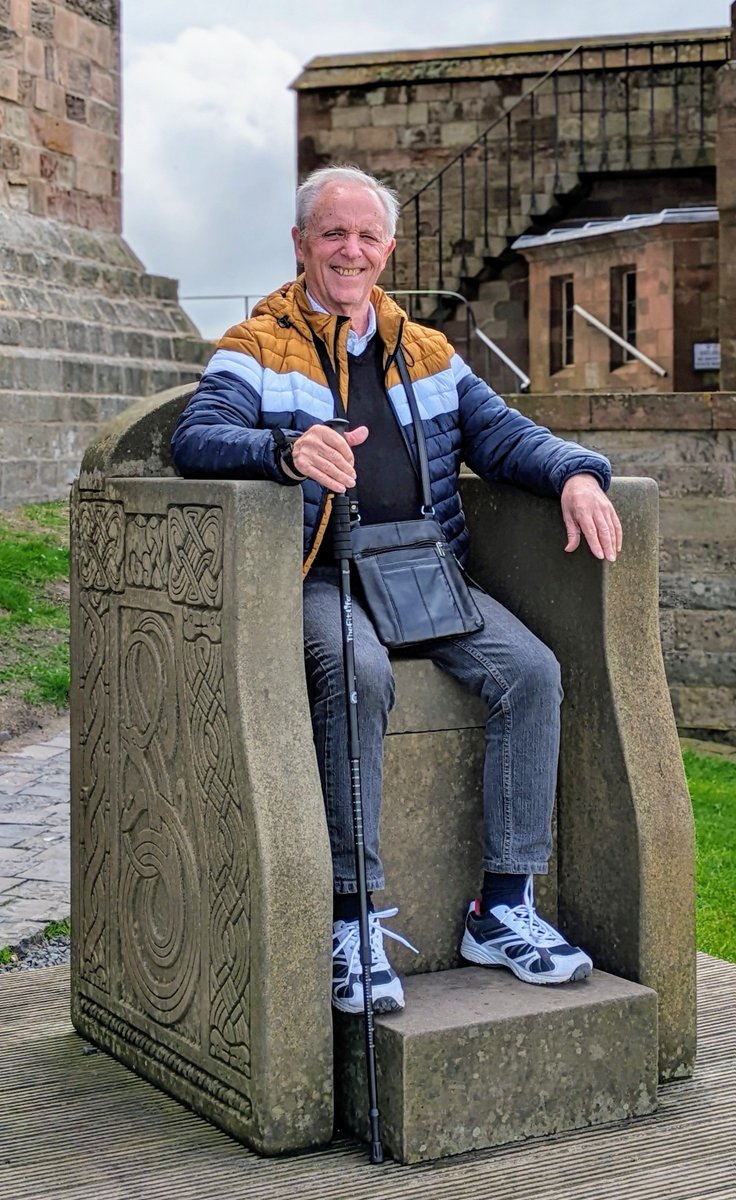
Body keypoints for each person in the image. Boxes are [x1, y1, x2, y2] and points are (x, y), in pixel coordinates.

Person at [171, 164, 623, 1016]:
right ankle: (351, 917)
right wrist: (285, 448)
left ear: (387, 249)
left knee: (531, 671)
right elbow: (199, 435)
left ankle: (503, 908)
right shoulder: (256, 345)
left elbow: (499, 433)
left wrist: (574, 474)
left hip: (421, 566)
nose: (350, 249)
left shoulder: (425, 349)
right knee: (361, 673)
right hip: (319, 572)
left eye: (365, 236)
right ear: (301, 245)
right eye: (332, 234)